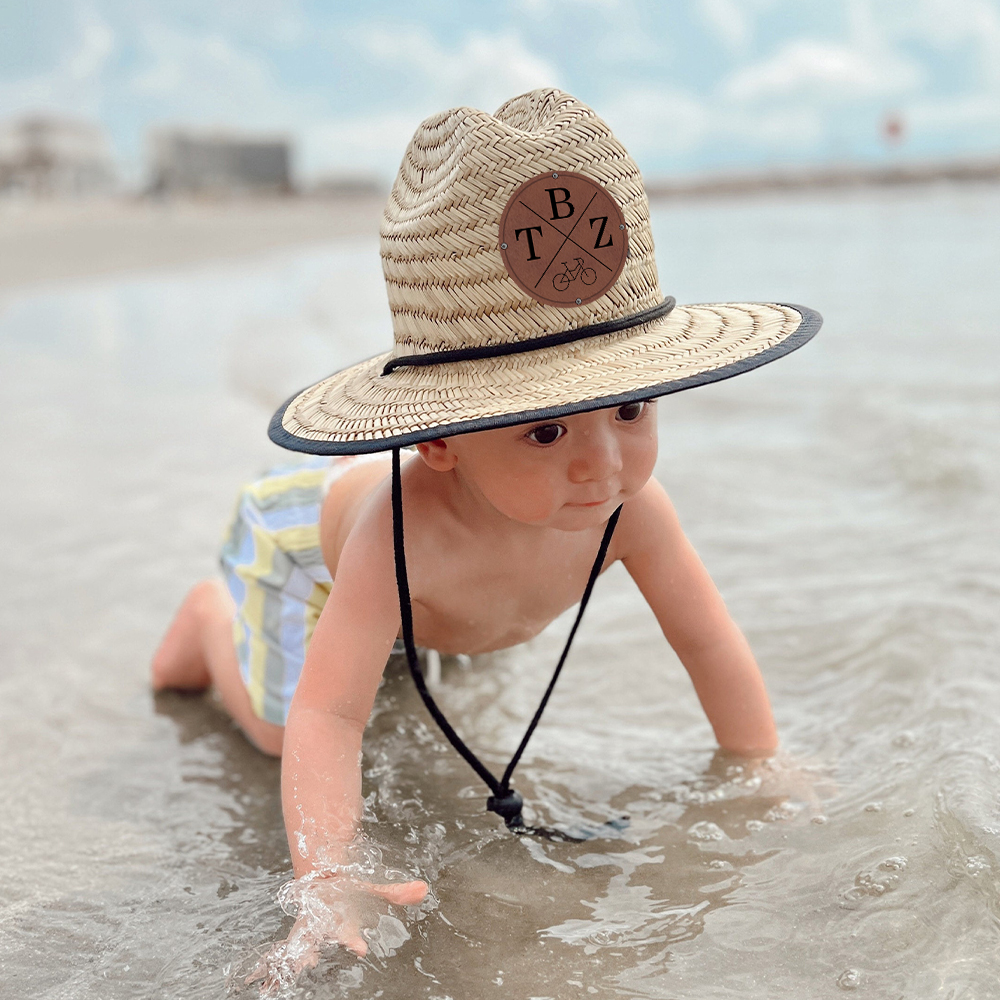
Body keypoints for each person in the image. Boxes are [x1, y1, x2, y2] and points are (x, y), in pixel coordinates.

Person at [152, 89, 822, 976]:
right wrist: (326, 877)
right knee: (288, 727)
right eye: (545, 430)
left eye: (628, 407)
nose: (602, 467)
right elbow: (330, 713)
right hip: (305, 546)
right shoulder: (403, 531)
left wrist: (760, 768)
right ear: (437, 438)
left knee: (455, 650)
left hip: (441, 582)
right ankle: (209, 622)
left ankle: (429, 628)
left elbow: (708, 644)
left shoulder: (628, 508)